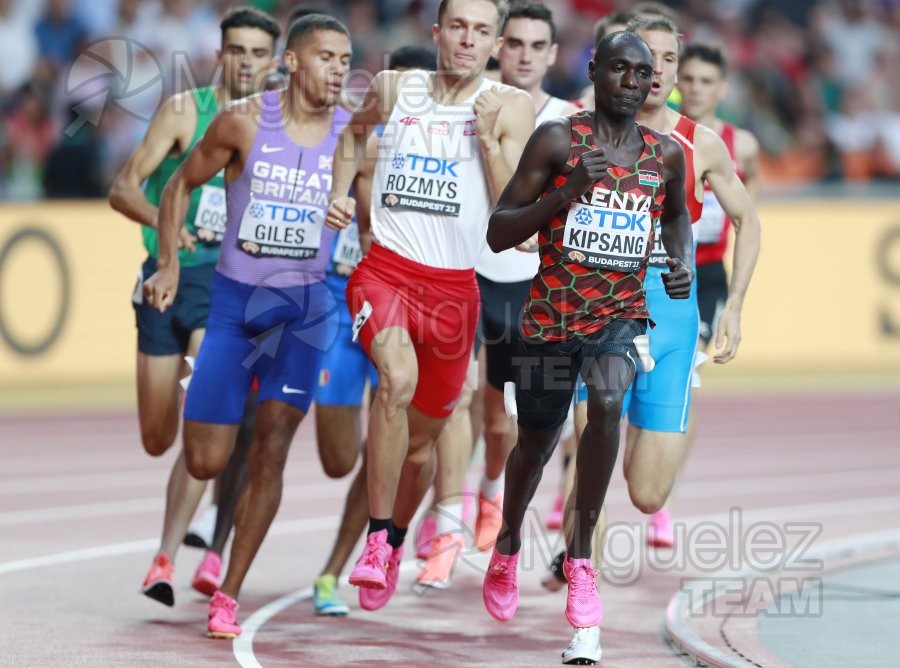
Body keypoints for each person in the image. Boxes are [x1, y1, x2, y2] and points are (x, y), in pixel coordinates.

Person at [480, 30, 693, 663]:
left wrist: (678, 260)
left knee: (607, 401)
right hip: (550, 319)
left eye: (642, 73)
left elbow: (678, 215)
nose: (631, 82)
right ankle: (510, 539)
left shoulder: (667, 155)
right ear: (595, 71)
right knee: (536, 447)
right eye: (619, 70)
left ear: (654, 81)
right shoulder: (558, 140)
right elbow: (497, 232)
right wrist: (568, 193)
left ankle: (580, 559)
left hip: (620, 319)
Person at [558, 16, 762, 664]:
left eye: (669, 59)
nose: (659, 71)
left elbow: (749, 219)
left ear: (673, 70)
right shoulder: (579, 131)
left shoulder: (701, 144)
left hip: (673, 323)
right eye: (646, 58)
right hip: (599, 315)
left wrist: (733, 309)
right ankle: (584, 612)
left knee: (647, 492)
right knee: (591, 456)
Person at [143, 13, 353, 638]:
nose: (339, 69)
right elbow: (180, 186)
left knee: (273, 448)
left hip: (305, 312)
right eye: (326, 57)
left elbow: (379, 215)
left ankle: (227, 592)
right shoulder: (242, 121)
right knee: (207, 459)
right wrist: (170, 263)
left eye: (346, 59)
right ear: (291, 62)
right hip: (234, 306)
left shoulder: (354, 135)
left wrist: (356, 216)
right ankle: (212, 462)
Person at [325, 0, 534, 609]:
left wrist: (492, 141)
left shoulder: (509, 105)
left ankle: (390, 541)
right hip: (384, 272)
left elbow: (513, 217)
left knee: (421, 444)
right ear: (436, 31)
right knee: (395, 382)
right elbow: (351, 136)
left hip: (454, 291)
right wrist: (340, 195)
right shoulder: (394, 87)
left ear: (495, 44)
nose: (467, 40)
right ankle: (373, 540)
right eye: (458, 27)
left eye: (481, 31)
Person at [107, 6, 280, 607]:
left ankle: (167, 551)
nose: (248, 63)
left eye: (260, 53)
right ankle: (190, 500)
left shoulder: (276, 125)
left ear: (275, 62)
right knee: (158, 438)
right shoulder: (185, 111)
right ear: (220, 53)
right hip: (164, 282)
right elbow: (124, 187)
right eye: (238, 50)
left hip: (226, 289)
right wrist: (167, 224)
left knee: (205, 420)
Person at [311, 43, 439, 617]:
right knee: (341, 459)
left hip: (411, 309)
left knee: (390, 442)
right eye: (393, 90)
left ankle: (339, 569)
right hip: (347, 308)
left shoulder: (445, 154)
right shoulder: (358, 147)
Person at [470, 0, 577, 554]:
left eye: (538, 46)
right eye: (514, 43)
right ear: (496, 46)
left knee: (502, 420)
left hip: (530, 285)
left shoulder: (571, 119)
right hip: (469, 272)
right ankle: (443, 523)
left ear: (554, 54)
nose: (525, 55)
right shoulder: (469, 101)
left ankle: (491, 496)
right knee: (461, 407)